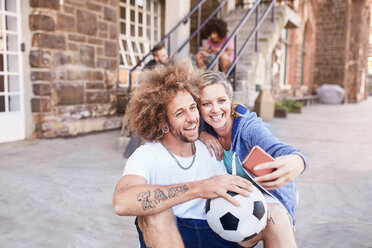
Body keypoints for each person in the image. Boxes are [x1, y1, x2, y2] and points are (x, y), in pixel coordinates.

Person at [113, 60, 254, 248]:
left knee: (271, 215)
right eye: (180, 113)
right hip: (170, 233)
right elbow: (122, 203)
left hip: (211, 231)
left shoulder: (210, 148)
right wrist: (199, 188)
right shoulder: (147, 155)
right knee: (156, 213)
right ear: (162, 121)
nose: (192, 119)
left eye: (193, 107)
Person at [198, 71, 308, 247]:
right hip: (240, 199)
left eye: (221, 101)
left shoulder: (248, 127)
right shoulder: (202, 127)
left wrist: (298, 160)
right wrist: (201, 135)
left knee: (275, 217)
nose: (216, 109)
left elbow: (276, 148)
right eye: (206, 103)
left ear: (230, 100)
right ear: (198, 107)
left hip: (270, 194)